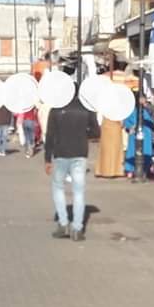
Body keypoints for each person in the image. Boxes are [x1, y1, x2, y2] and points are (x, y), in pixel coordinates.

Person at [44, 92, 96, 241]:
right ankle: (77, 229)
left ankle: (63, 223)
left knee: (58, 187)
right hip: (80, 153)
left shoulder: (56, 108)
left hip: (60, 153)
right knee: (78, 191)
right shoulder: (86, 108)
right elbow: (96, 131)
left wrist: (47, 158)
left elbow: (50, 135)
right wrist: (83, 134)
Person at [96, 111, 125, 178]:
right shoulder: (119, 107)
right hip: (115, 125)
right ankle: (116, 170)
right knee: (115, 148)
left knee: (106, 149)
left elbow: (99, 115)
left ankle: (103, 170)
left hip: (106, 125)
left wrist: (99, 124)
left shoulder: (104, 106)